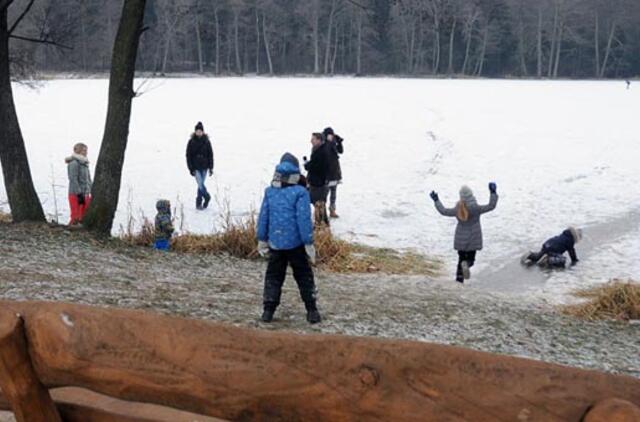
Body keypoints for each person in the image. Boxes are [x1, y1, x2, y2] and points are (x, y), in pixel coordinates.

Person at [257, 153, 321, 324]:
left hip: (275, 243)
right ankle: (311, 310)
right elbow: (304, 220)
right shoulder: (300, 193)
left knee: (273, 276)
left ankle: (268, 310)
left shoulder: (270, 192)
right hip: (296, 244)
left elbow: (264, 217)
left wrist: (262, 239)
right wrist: (308, 243)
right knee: (304, 276)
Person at [430, 183, 499, 283]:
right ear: (471, 195)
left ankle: (459, 280)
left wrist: (436, 200)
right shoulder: (476, 208)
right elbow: (491, 206)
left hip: (460, 239)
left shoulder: (458, 208)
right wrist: (493, 192)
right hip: (473, 238)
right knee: (470, 259)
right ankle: (467, 264)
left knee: (460, 259)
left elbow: (444, 211)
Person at [303, 132, 331, 226]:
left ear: (319, 140)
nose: (311, 141)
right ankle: (323, 224)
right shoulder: (318, 150)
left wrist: (308, 166)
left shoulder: (322, 152)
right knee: (319, 204)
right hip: (318, 182)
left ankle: (320, 225)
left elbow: (318, 167)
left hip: (319, 183)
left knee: (318, 203)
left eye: (313, 139)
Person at [186, 121, 214, 210]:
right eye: (197, 131)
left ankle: (198, 203)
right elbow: (188, 155)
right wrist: (191, 168)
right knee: (200, 183)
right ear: (195, 131)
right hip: (196, 167)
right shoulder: (191, 142)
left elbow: (210, 154)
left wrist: (211, 167)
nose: (199, 132)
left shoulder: (207, 141)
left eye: (200, 131)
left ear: (203, 131)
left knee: (200, 185)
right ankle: (207, 196)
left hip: (205, 167)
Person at [65, 142, 92, 225]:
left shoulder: (85, 165)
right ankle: (70, 231)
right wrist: (79, 193)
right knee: (75, 216)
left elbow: (89, 180)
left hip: (86, 193)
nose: (86, 152)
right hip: (75, 194)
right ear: (78, 151)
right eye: (84, 150)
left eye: (86, 150)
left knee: (84, 216)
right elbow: (73, 179)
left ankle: (80, 231)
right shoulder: (74, 163)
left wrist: (91, 190)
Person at [323, 127, 344, 219]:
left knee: (334, 192)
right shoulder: (323, 143)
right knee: (324, 193)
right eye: (330, 135)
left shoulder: (333, 142)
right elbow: (326, 152)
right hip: (326, 173)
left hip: (335, 172)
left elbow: (341, 151)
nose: (332, 136)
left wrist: (339, 142)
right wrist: (331, 142)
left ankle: (332, 210)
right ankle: (322, 211)